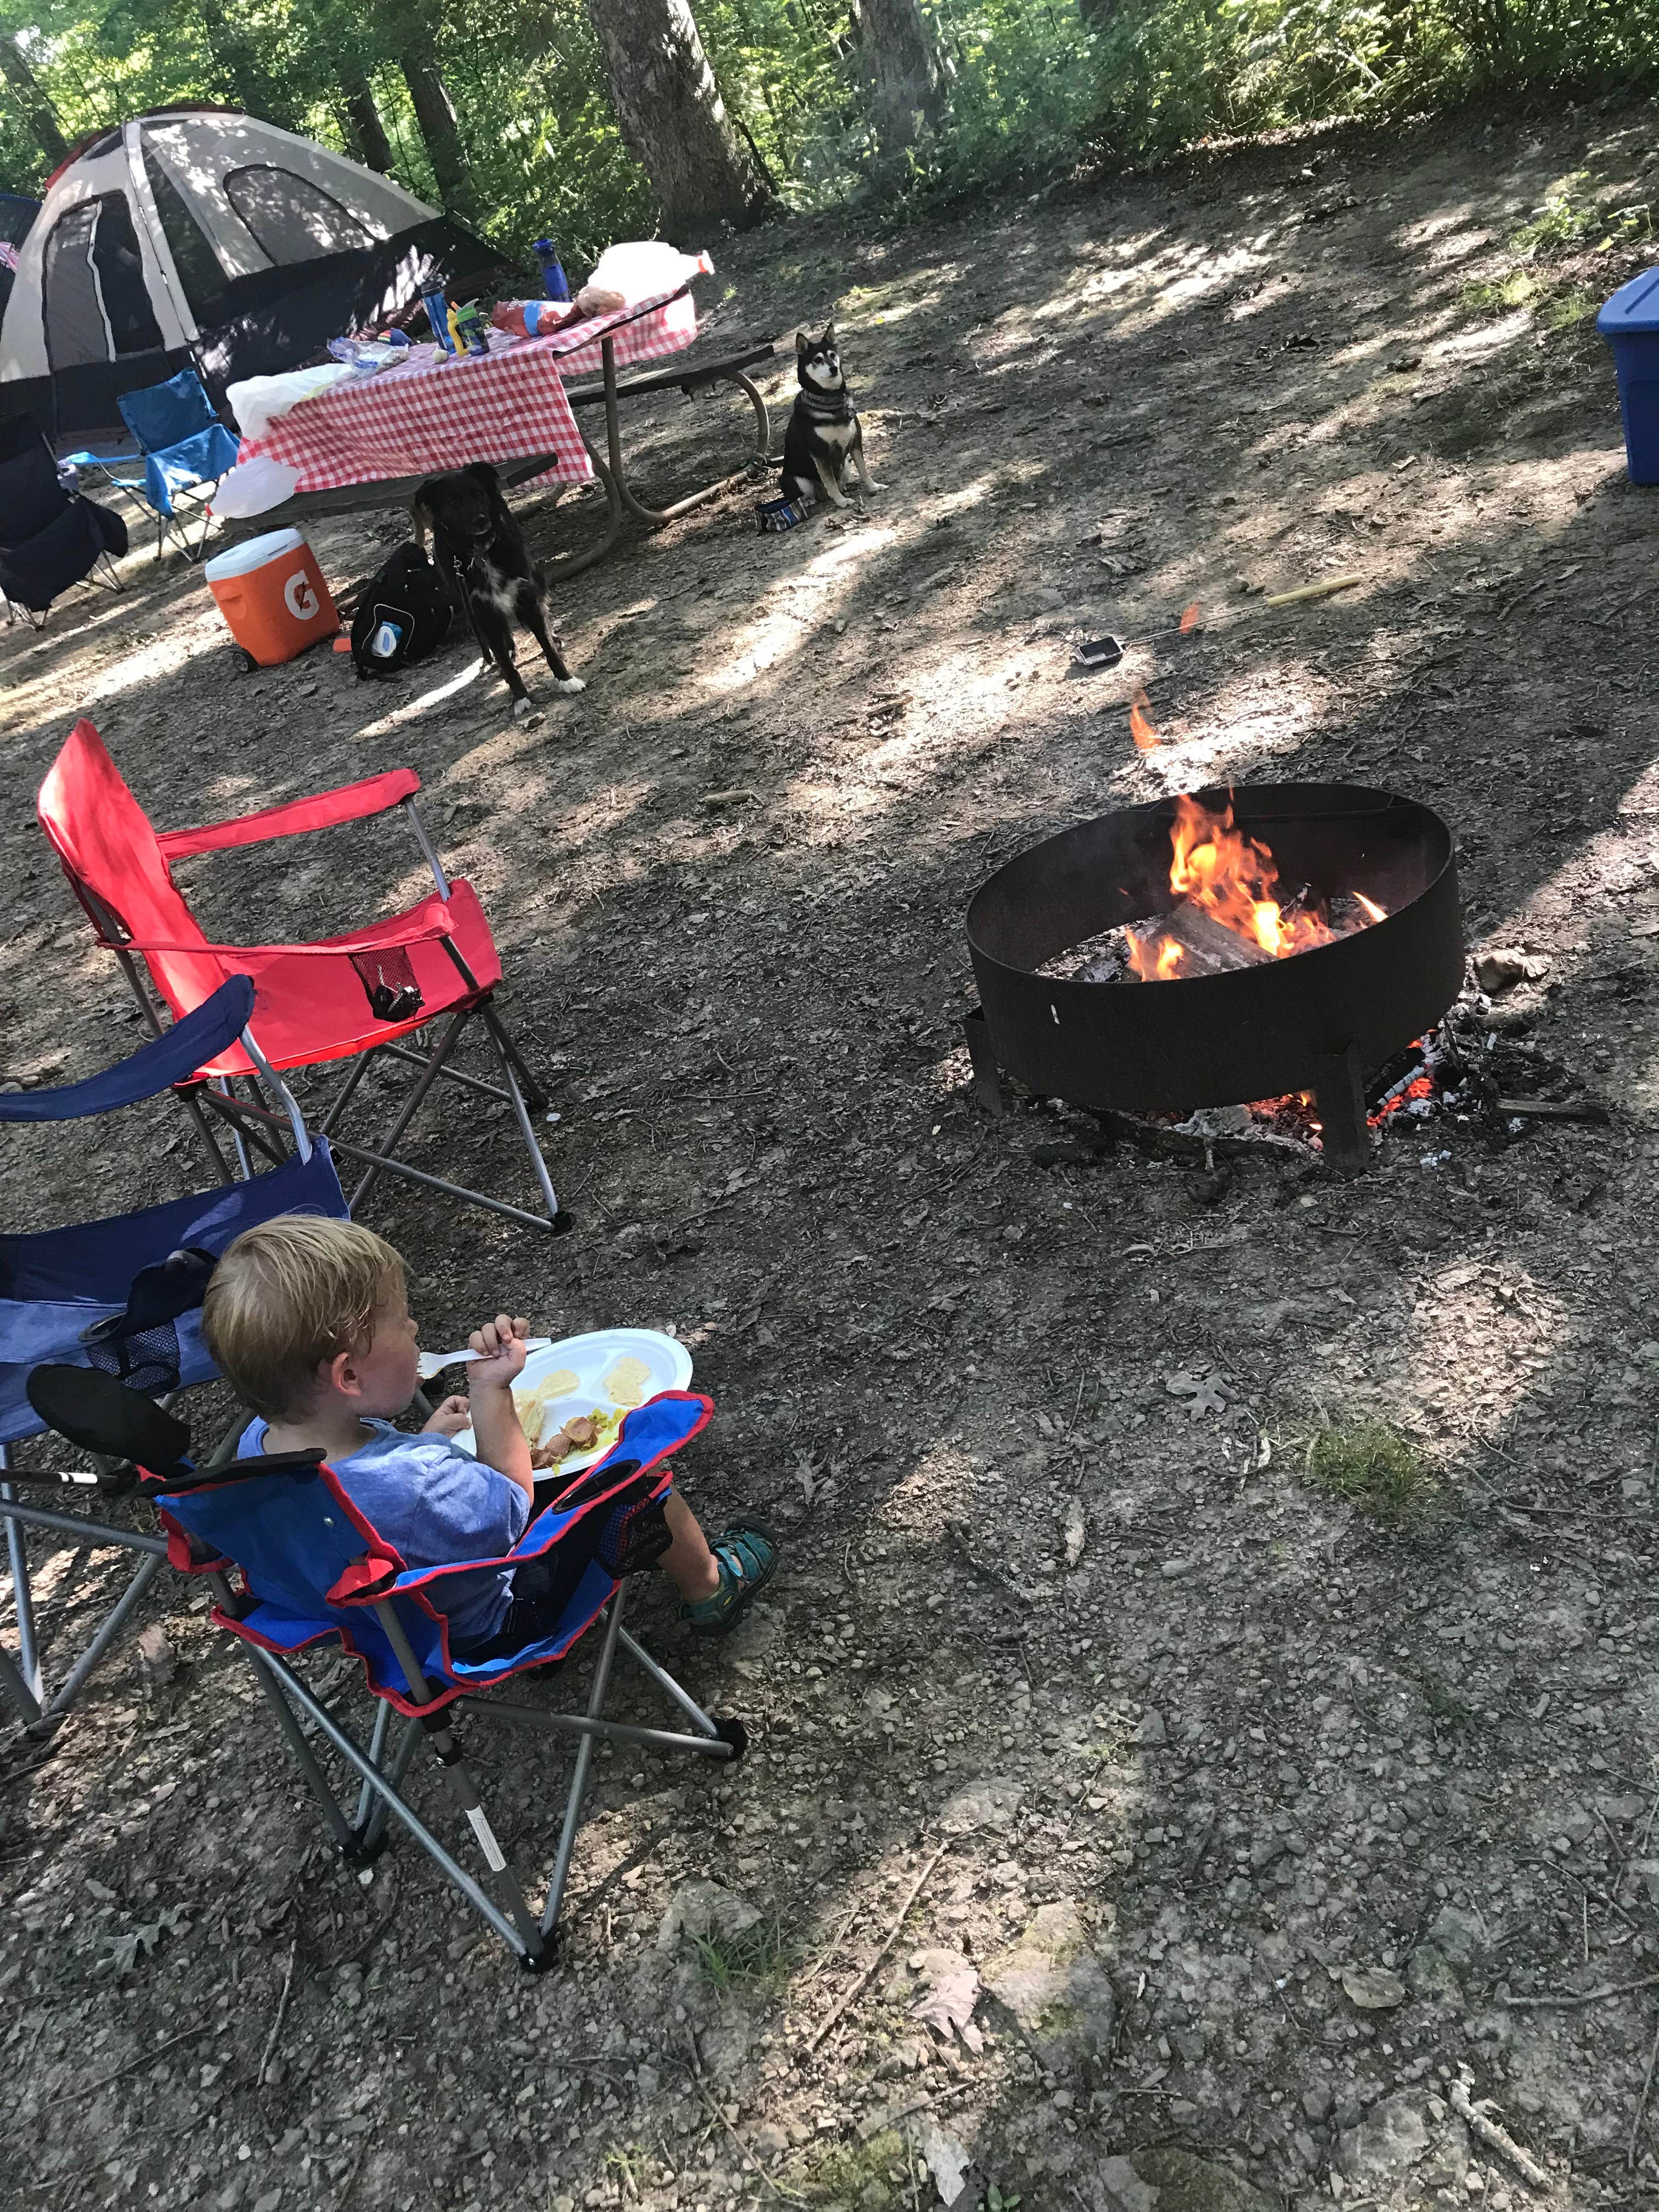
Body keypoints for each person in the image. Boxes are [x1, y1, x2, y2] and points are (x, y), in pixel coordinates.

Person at [200, 1215, 776, 1657]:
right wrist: (490, 1389)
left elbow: (367, 1506)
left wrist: (426, 1440)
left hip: (389, 1623)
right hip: (493, 1625)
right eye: (402, 1320)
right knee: (634, 1479)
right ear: (349, 1377)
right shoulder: (421, 1484)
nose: (416, 1327)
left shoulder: (260, 1448)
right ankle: (711, 1587)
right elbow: (512, 1502)